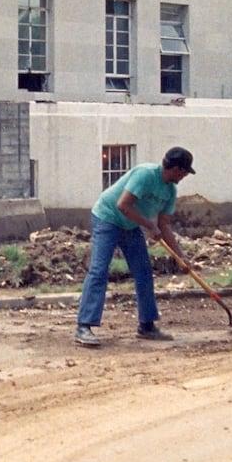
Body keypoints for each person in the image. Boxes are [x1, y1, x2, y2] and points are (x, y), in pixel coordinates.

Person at [74, 147, 194, 348]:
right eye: (184, 172)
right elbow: (123, 205)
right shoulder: (145, 175)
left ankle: (146, 326)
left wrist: (180, 257)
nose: (184, 176)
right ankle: (84, 326)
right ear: (175, 169)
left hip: (130, 225)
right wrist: (149, 225)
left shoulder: (170, 190)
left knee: (144, 272)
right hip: (107, 218)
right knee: (99, 270)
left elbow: (164, 225)